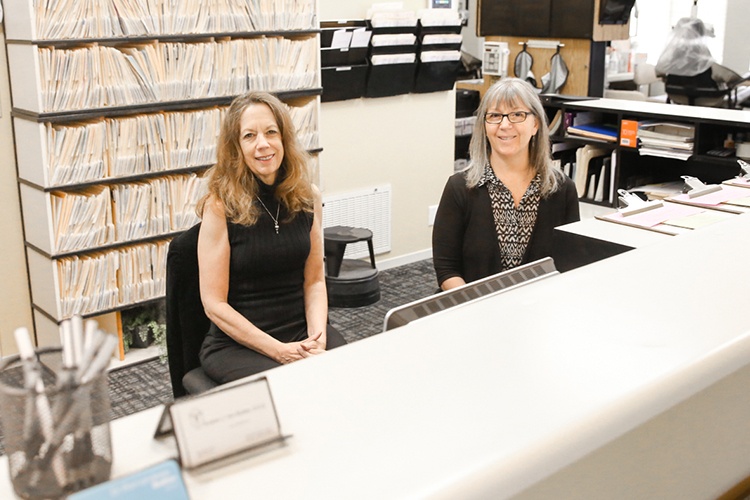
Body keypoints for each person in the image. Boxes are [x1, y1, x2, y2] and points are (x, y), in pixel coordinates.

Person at [196, 91, 346, 384]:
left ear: (284, 139)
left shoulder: (307, 197)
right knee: (293, 387)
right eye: (249, 136)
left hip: (300, 331)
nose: (262, 144)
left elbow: (315, 280)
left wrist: (317, 339)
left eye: (270, 132)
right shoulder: (219, 206)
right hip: (239, 345)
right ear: (236, 147)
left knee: (346, 376)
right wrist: (279, 352)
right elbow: (214, 304)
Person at [432, 78, 580, 291]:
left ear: (536, 124)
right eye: (494, 116)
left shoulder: (562, 189)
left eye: (517, 115)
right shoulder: (460, 187)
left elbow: (570, 261)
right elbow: (447, 268)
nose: (504, 125)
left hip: (539, 307)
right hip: (472, 308)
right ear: (484, 125)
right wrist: (476, 306)